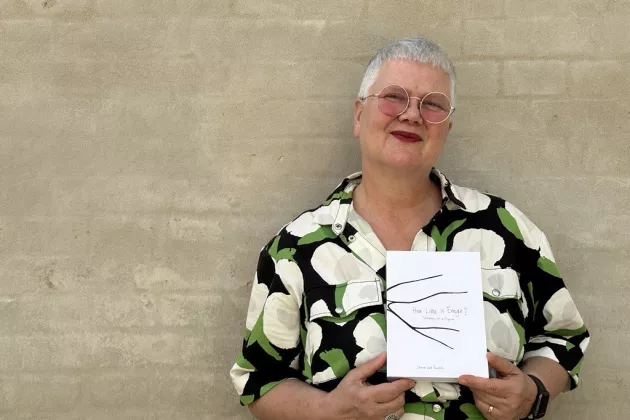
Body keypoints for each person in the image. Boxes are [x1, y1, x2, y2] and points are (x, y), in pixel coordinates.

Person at [230, 38, 589, 420]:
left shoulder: (506, 229)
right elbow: (259, 381)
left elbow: (565, 336)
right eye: (393, 97)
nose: (412, 115)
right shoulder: (296, 247)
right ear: (358, 115)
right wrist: (328, 409)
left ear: (447, 126)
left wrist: (532, 391)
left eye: (432, 104)